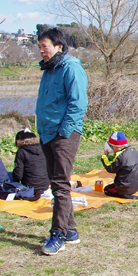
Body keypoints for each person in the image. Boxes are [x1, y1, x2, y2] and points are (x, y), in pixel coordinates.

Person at [36, 27, 89, 256]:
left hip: (63, 134)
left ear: (59, 46)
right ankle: (71, 231)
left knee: (59, 184)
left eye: (44, 47)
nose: (41, 52)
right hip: (46, 132)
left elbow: (78, 104)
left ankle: (57, 234)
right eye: (39, 47)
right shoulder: (48, 70)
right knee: (56, 182)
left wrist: (64, 132)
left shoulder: (71, 68)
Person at [101, 131, 138, 199]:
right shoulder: (133, 150)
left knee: (107, 190)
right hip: (137, 185)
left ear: (116, 146)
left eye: (112, 146)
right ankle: (126, 192)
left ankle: (124, 195)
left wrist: (105, 156)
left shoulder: (120, 156)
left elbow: (110, 168)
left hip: (125, 188)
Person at [11, 128, 50, 194]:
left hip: (30, 187)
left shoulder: (22, 151)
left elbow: (18, 175)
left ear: (18, 141)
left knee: (9, 175)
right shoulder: (43, 148)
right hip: (45, 185)